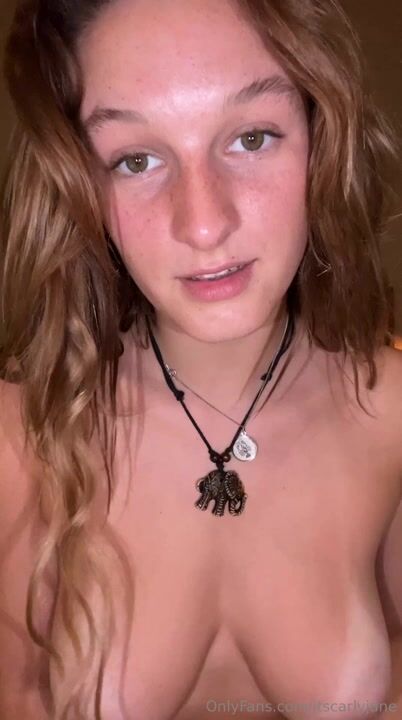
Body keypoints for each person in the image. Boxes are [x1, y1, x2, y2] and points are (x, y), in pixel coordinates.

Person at [0, 0, 401, 718]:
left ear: (323, 140)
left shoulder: (392, 413)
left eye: (251, 137)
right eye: (136, 159)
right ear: (79, 185)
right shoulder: (22, 435)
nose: (206, 223)